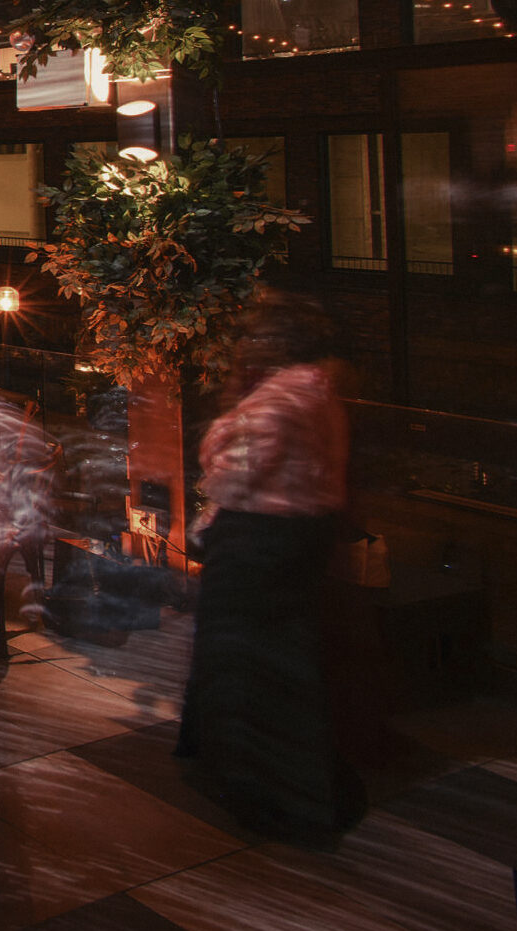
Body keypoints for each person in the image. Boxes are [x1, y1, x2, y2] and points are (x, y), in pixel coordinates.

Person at [177, 295, 364, 848]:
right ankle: (302, 780)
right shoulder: (321, 392)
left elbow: (233, 477)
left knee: (244, 661)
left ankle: (263, 788)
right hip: (302, 540)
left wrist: (220, 436)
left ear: (275, 346)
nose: (244, 347)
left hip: (255, 544)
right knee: (285, 655)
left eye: (255, 338)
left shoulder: (276, 402)